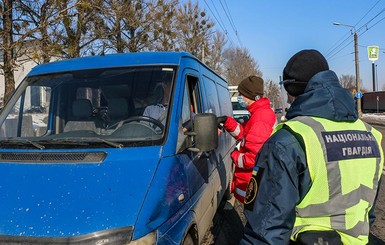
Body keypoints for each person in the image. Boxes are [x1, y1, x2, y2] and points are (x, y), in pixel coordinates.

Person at [240, 49, 384, 245]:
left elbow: (266, 232)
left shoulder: (290, 139)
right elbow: (368, 212)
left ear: (291, 91)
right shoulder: (371, 135)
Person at [217, 75, 277, 203]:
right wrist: (227, 121)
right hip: (254, 183)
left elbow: (253, 158)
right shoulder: (258, 113)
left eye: (241, 94)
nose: (239, 97)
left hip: (254, 186)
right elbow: (244, 134)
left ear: (251, 96)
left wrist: (234, 155)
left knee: (253, 220)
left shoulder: (260, 119)